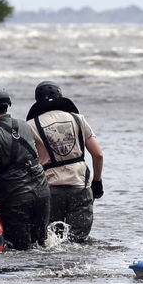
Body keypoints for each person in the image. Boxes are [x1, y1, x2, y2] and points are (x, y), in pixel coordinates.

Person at [0, 86, 51, 248]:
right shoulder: (24, 126)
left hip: (17, 198)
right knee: (42, 245)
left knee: (20, 249)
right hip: (43, 192)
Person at [25, 81, 104, 242]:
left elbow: (27, 162)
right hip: (80, 186)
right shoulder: (78, 119)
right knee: (78, 241)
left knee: (52, 241)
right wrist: (97, 182)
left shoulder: (31, 125)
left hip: (50, 188)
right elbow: (98, 155)